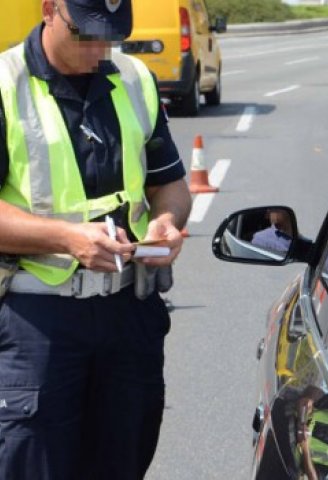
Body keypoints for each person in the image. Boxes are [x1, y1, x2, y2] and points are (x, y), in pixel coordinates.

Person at [0, 1, 191, 478]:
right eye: (85, 33)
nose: (99, 48)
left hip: (127, 313)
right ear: (49, 10)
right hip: (37, 322)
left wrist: (167, 221)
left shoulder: (133, 79)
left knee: (124, 462)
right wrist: (66, 237)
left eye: (111, 35)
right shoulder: (6, 85)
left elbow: (169, 184)